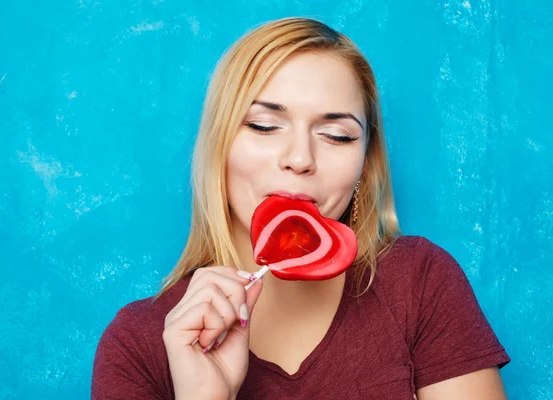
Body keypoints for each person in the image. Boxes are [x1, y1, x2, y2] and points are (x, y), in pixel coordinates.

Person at [91, 17, 511, 399]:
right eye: (264, 126)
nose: (299, 158)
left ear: (364, 164)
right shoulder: (139, 344)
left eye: (336, 135)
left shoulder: (419, 282)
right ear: (219, 147)